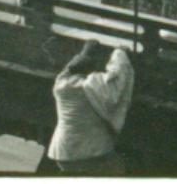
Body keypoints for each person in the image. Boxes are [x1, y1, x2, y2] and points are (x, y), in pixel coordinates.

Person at [42, 40, 134, 175]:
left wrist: (85, 53)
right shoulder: (92, 85)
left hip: (62, 152)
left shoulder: (60, 84)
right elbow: (116, 77)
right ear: (92, 69)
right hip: (91, 152)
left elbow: (68, 70)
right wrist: (120, 53)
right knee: (117, 170)